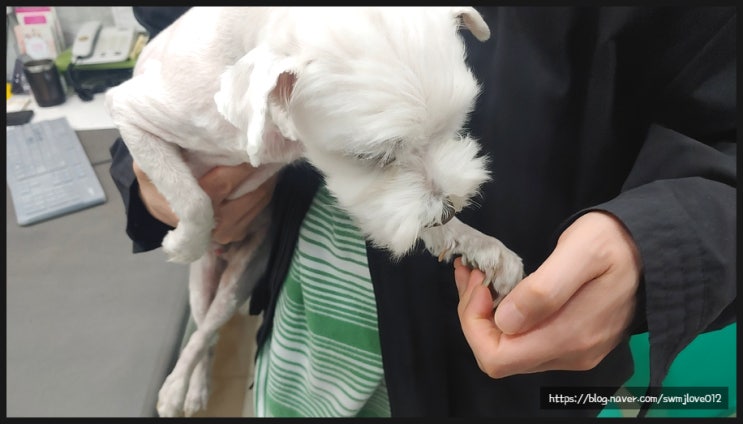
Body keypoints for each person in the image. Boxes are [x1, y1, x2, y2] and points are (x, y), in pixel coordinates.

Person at [109, 6, 736, 417]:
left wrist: (656, 242)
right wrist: (154, 184)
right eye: (376, 154)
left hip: (516, 385)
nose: (449, 192)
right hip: (300, 351)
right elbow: (162, 78)